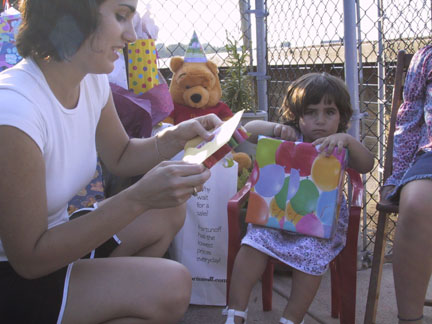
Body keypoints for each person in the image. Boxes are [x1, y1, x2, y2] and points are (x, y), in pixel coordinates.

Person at [0, 1, 224, 323]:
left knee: (169, 209)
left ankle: (110, 298)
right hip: (16, 276)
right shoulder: (14, 112)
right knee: (171, 284)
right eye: (121, 16)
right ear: (72, 12)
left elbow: (121, 155)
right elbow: (29, 260)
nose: (132, 35)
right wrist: (137, 198)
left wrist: (176, 137)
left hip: (57, 241)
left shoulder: (90, 80)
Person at [222, 72, 374, 324]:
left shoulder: (340, 144)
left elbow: (366, 164)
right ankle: (235, 312)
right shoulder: (291, 134)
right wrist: (275, 129)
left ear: (341, 115)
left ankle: (292, 319)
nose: (320, 121)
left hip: (319, 223)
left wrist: (347, 140)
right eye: (311, 112)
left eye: (329, 112)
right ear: (297, 116)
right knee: (253, 243)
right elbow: (248, 131)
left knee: (310, 258)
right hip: (275, 216)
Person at [380, 45, 432, 324]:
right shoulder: (427, 58)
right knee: (416, 201)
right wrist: (398, 174)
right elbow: (409, 119)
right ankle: (411, 320)